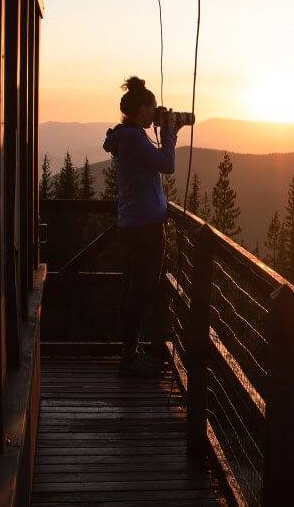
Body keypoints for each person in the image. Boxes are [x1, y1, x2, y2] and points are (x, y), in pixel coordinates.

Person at [103, 76, 182, 376]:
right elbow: (168, 165)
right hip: (145, 229)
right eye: (152, 109)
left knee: (139, 288)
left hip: (136, 225)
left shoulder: (129, 135)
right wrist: (170, 132)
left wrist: (164, 130)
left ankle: (134, 352)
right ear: (140, 111)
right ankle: (131, 357)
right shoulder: (135, 138)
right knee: (142, 290)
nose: (155, 113)